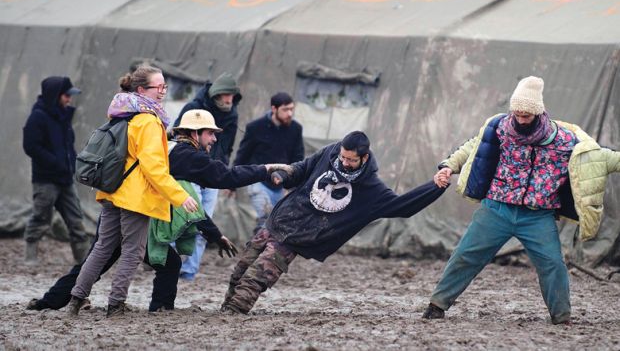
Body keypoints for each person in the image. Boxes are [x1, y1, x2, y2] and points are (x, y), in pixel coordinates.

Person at [25, 109, 291, 313]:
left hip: (119, 204)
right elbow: (226, 177)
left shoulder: (170, 147)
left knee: (99, 260)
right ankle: (153, 309)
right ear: (195, 133)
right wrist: (265, 169)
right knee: (159, 262)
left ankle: (51, 302)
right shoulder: (188, 156)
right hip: (134, 213)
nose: (213, 139)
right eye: (210, 133)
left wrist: (214, 234)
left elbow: (188, 204)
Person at [421, 76, 620, 325]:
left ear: (538, 113)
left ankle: (562, 317)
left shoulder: (565, 141)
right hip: (497, 208)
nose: (520, 119)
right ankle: (437, 305)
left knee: (553, 265)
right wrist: (449, 166)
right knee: (466, 255)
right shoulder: (500, 128)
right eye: (517, 113)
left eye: (526, 115)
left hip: (537, 215)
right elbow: (472, 147)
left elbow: (603, 158)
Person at [220, 131, 446, 315]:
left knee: (257, 278)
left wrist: (434, 187)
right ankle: (225, 309)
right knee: (240, 270)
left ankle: (234, 313)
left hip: (299, 238)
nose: (345, 162)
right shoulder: (329, 152)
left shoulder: (372, 190)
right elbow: (303, 168)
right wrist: (284, 176)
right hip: (279, 219)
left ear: (364, 158)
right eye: (343, 157)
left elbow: (404, 206)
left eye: (351, 160)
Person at [67, 65, 199, 318]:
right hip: (135, 198)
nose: (163, 92)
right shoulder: (149, 121)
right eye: (158, 87)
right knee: (132, 251)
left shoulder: (122, 113)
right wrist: (180, 196)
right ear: (141, 90)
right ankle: (116, 304)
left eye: (164, 86)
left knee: (103, 247)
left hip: (112, 191)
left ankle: (76, 298)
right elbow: (154, 167)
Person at [173, 72, 241, 281]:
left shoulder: (231, 115)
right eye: (225, 95)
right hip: (191, 172)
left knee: (204, 225)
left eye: (232, 95)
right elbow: (178, 137)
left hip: (213, 173)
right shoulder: (192, 109)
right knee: (182, 222)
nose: (229, 100)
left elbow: (227, 147)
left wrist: (225, 175)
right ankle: (169, 267)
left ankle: (189, 272)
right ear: (215, 95)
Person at [22, 76, 90, 266]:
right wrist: (55, 163)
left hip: (66, 179)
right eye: (66, 95)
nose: (69, 99)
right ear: (56, 95)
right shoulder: (38, 117)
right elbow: (31, 146)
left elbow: (68, 145)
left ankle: (83, 261)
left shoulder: (63, 116)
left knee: (76, 219)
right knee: (40, 217)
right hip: (45, 180)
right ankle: (30, 256)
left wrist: (72, 163)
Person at [233, 92, 304, 233]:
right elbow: (243, 154)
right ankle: (254, 251)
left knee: (276, 223)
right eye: (285, 109)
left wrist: (292, 185)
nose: (290, 113)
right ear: (274, 109)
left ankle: (263, 251)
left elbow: (298, 158)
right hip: (258, 181)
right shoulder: (255, 127)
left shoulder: (296, 129)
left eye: (291, 109)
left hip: (282, 183)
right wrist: (231, 183)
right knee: (264, 218)